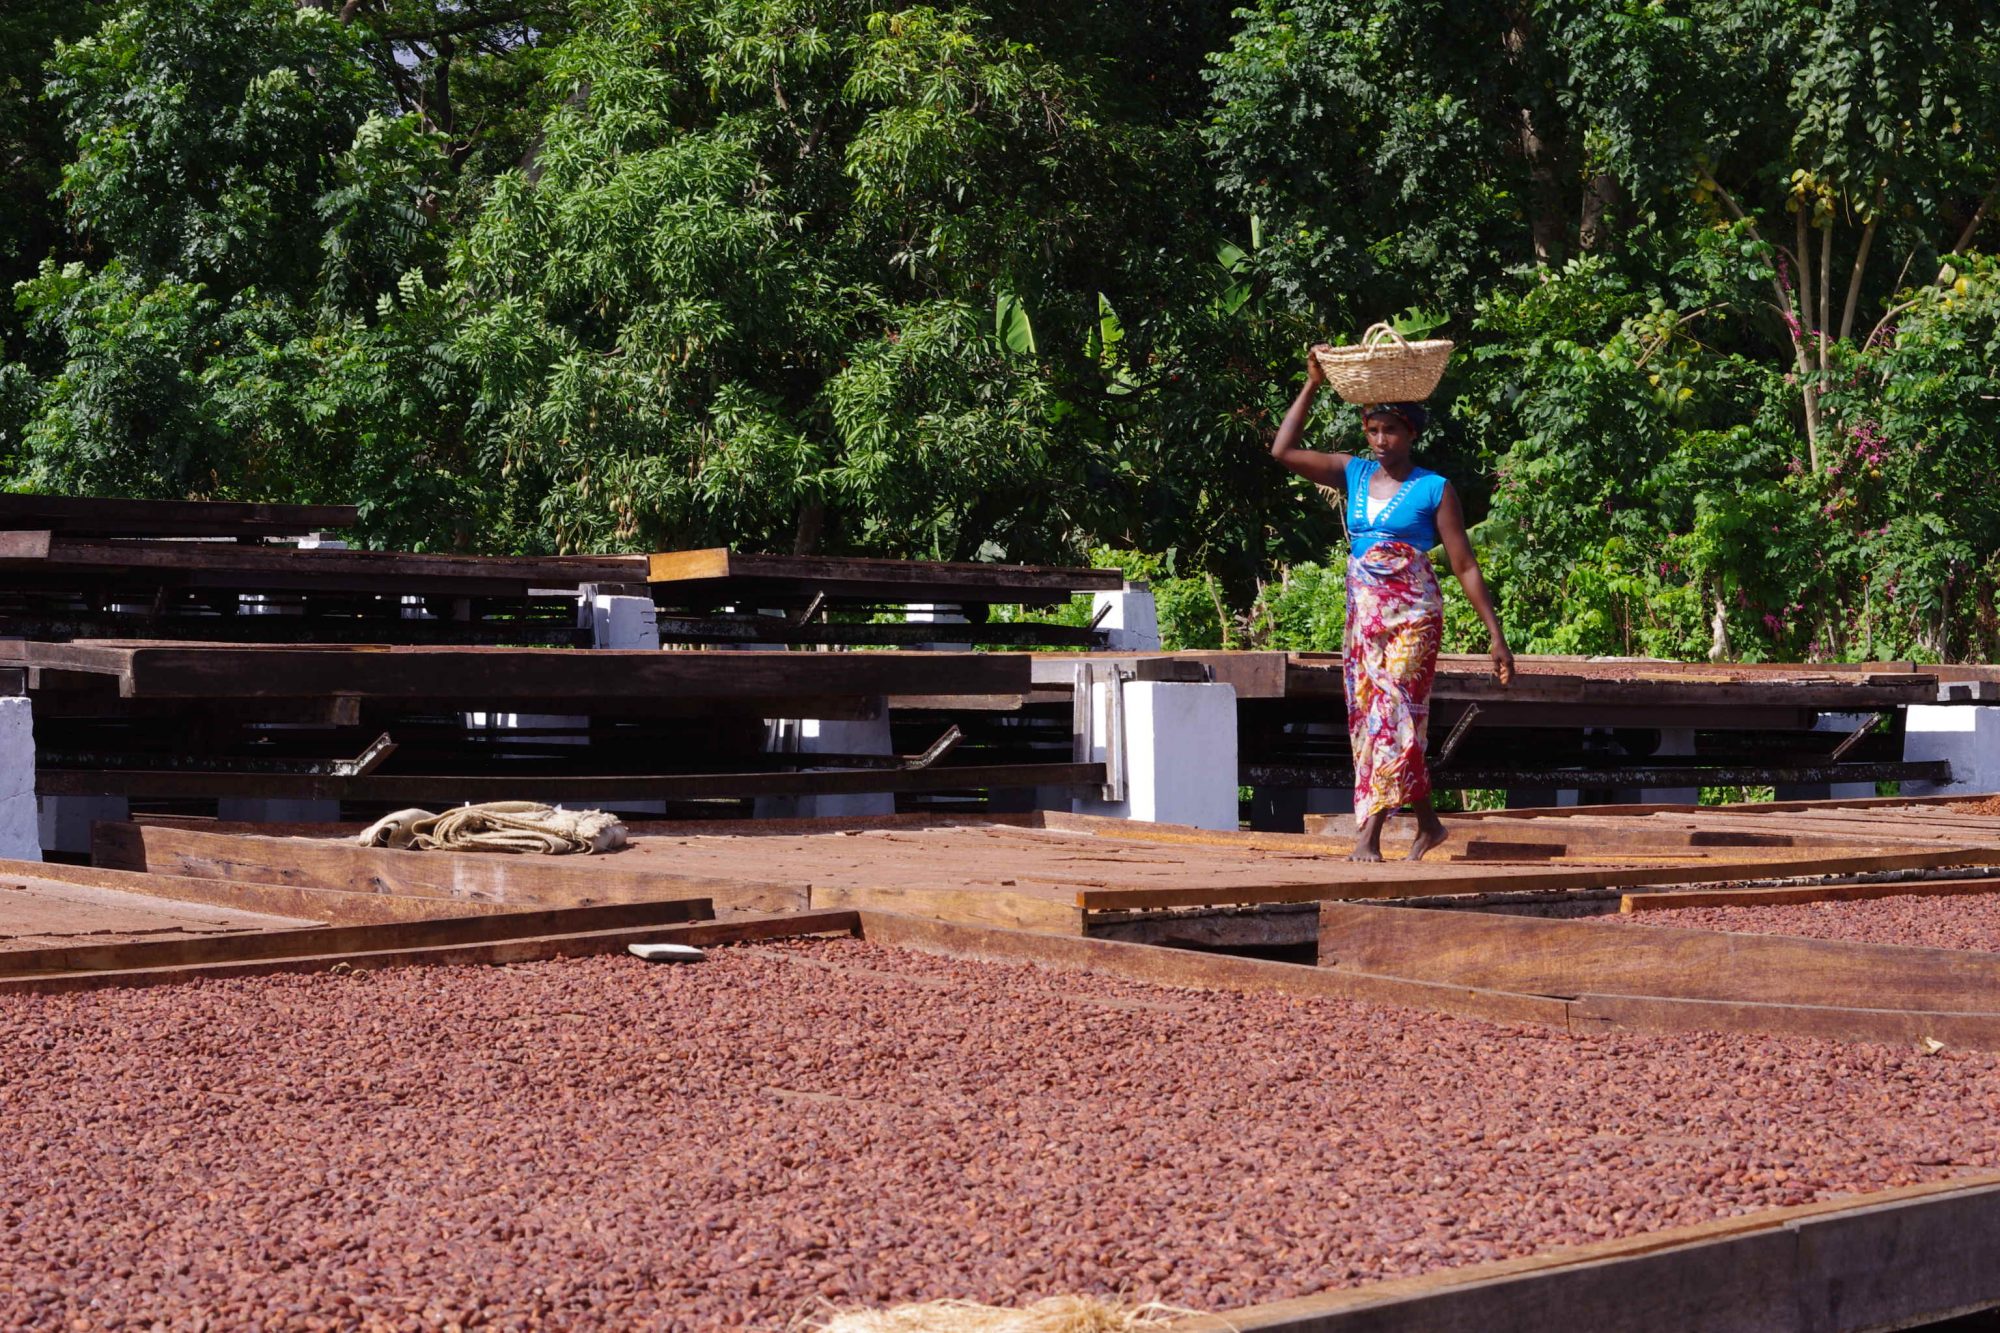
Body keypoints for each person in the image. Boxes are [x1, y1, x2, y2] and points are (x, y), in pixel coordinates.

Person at [1268, 346, 1514, 862]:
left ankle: (1369, 835)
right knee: (1371, 715)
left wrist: (1496, 635)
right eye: (1374, 430)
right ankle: (1427, 823)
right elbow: (1283, 452)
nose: (1381, 441)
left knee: (1392, 710)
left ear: (1413, 435)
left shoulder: (1434, 489)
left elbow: (1464, 564)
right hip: (1366, 616)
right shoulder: (1352, 473)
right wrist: (1312, 383)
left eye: (1392, 431)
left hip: (1414, 616)